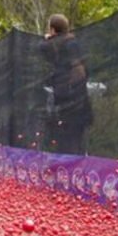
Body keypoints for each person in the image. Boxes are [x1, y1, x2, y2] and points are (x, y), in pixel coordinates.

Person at [38, 14, 93, 155]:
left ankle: (66, 165)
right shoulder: (74, 43)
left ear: (52, 29)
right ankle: (75, 164)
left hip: (64, 95)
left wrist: (47, 38)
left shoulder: (52, 44)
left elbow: (41, 47)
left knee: (65, 135)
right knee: (76, 134)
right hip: (80, 95)